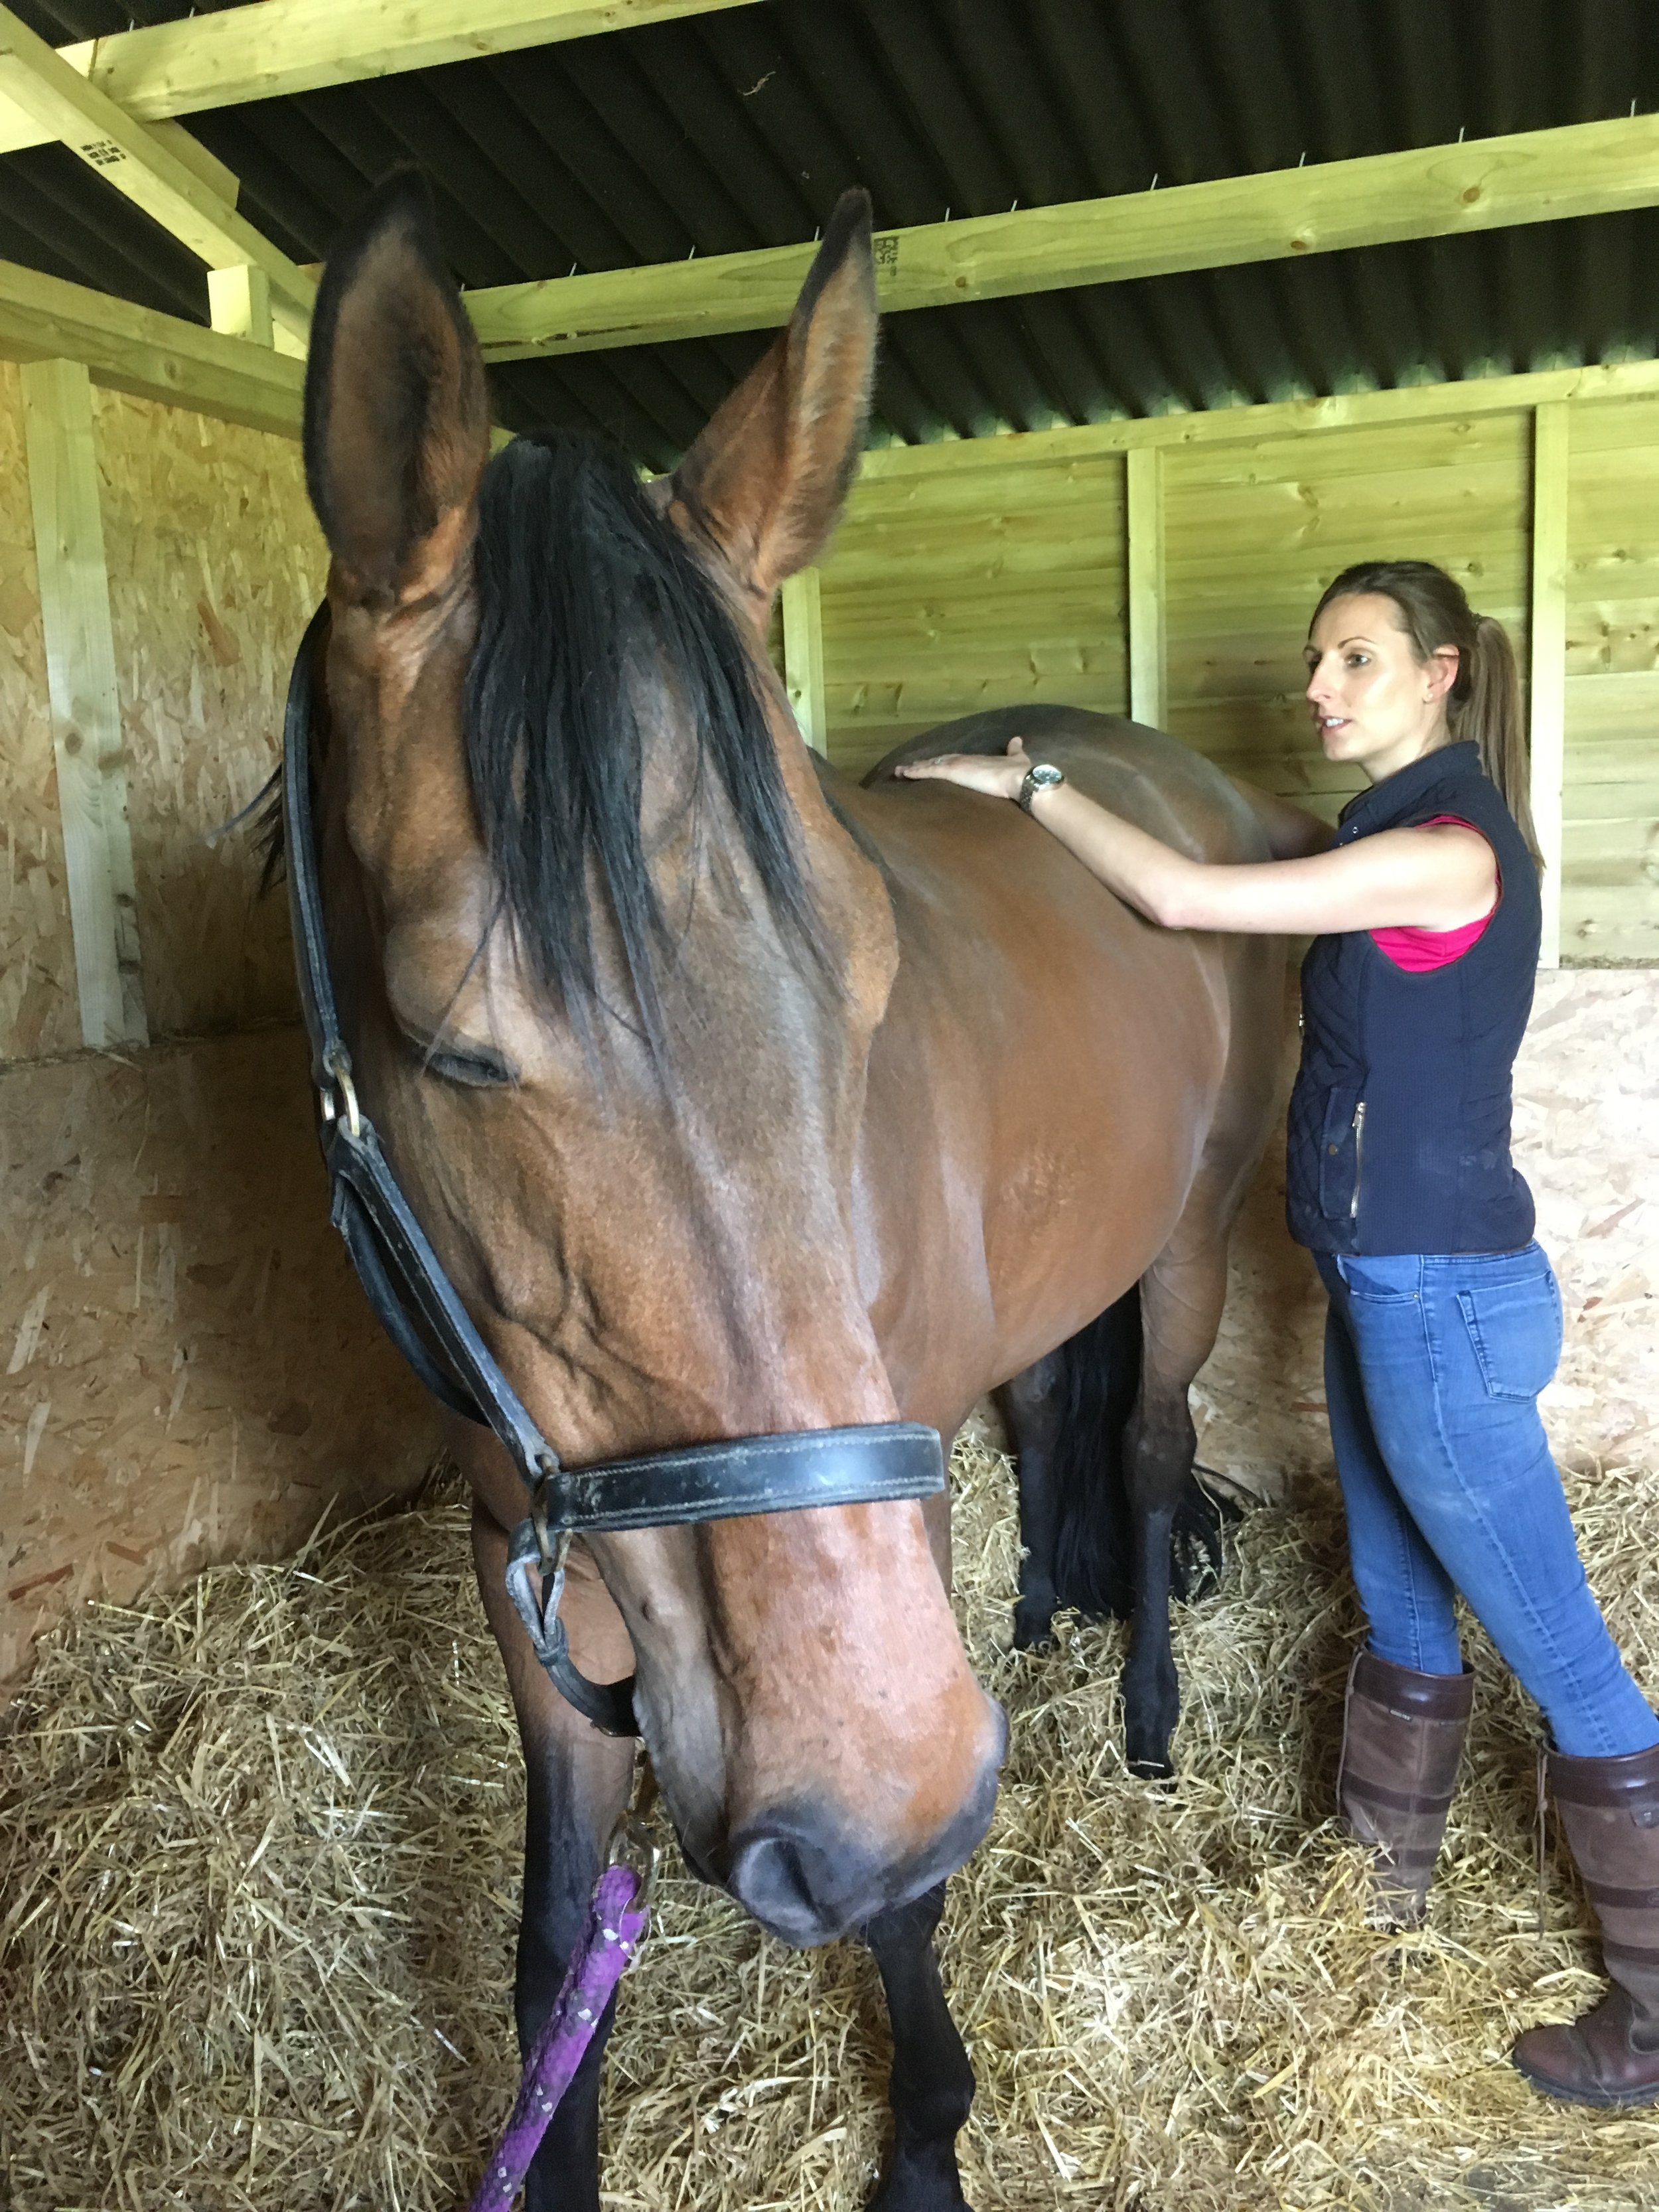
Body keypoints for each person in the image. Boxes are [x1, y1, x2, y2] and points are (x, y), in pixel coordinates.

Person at [896, 558, 1659, 2108]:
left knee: (1574, 1673)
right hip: (1381, 1296)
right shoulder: (1379, 836)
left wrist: (1026, 778)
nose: (1321, 686)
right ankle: (1374, 1914)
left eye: (1357, 660)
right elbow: (1248, 844)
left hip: (1436, 1308)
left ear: (1442, 673)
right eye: (1317, 658)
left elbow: (1180, 893)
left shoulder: (1445, 854)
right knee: (1398, 1611)